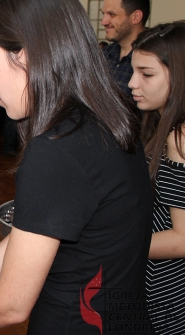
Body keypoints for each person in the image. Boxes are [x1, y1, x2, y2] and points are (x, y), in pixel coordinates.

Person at [0, 0, 154, 334]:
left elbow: (11, 305)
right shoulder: (105, 116)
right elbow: (35, 233)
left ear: (27, 54)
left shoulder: (59, 147)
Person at [129, 21, 185, 335]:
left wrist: (115, 244)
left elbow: (182, 239)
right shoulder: (161, 124)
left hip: (170, 292)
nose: (132, 83)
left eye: (147, 74)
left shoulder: (179, 138)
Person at [101, 0, 150, 97]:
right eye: (104, 14)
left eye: (112, 14)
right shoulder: (104, 54)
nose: (103, 22)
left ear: (136, 17)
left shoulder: (153, 57)